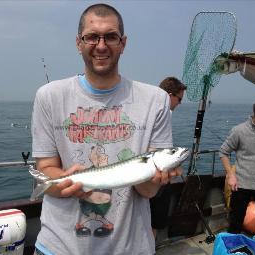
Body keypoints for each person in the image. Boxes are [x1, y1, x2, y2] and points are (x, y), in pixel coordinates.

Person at [31, 3, 181, 255]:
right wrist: (64, 183)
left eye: (110, 36)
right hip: (58, 247)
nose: (101, 46)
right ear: (78, 42)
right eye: (91, 37)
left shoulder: (156, 99)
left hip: (131, 247)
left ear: (123, 43)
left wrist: (156, 178)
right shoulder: (49, 96)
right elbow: (46, 168)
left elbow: (148, 190)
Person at [219, 99, 255, 234]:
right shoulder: (238, 131)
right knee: (235, 222)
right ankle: (234, 251)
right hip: (241, 185)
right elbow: (223, 152)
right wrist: (231, 175)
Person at [149, 77, 187, 240]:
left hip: (147, 176)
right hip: (156, 179)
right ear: (170, 96)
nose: (179, 103)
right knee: (155, 221)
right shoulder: (165, 112)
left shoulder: (147, 109)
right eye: (179, 99)